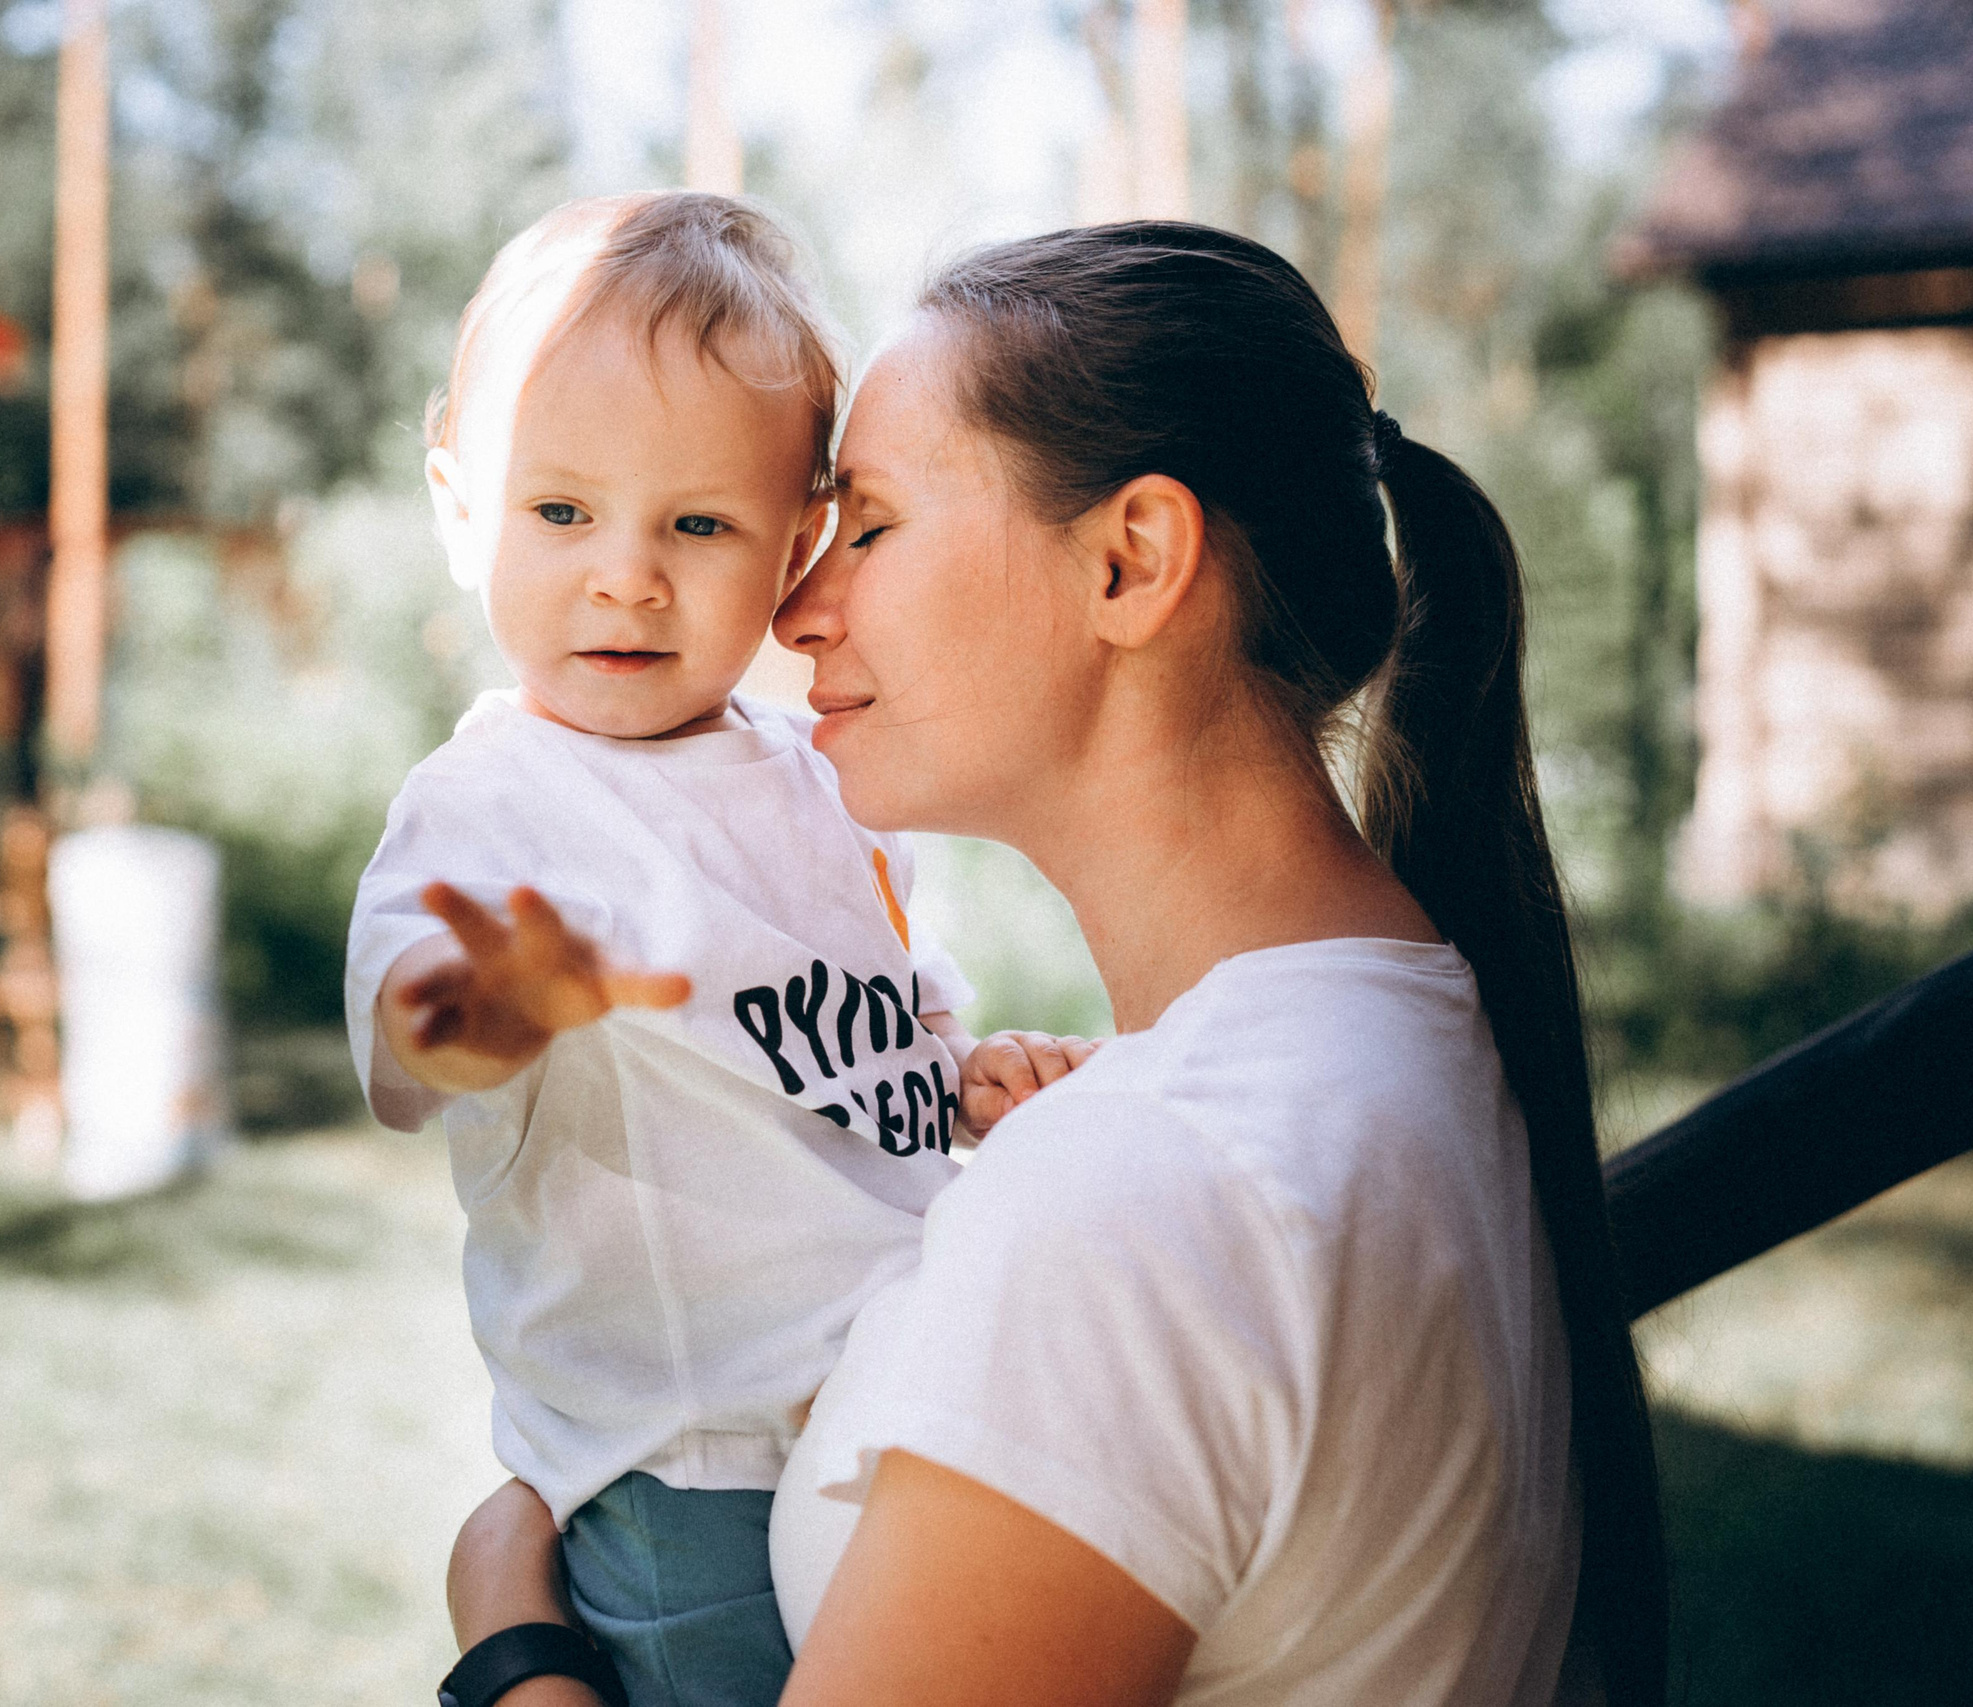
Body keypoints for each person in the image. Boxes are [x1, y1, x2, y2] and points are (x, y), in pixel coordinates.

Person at [443, 221, 1668, 1707]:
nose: (797, 605)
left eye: (872, 523)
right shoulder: (1406, 1045)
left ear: (1130, 562)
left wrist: (512, 1645)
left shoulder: (1145, 1198)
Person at [347, 191, 1089, 1707]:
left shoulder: (822, 774)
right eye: (561, 513)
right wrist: (482, 1009)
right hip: (699, 1479)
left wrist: (972, 1079)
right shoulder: (499, 802)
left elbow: (871, 1036)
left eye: (698, 524)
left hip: (903, 1415)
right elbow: (403, 1039)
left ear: (797, 541)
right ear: (456, 503)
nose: (627, 575)